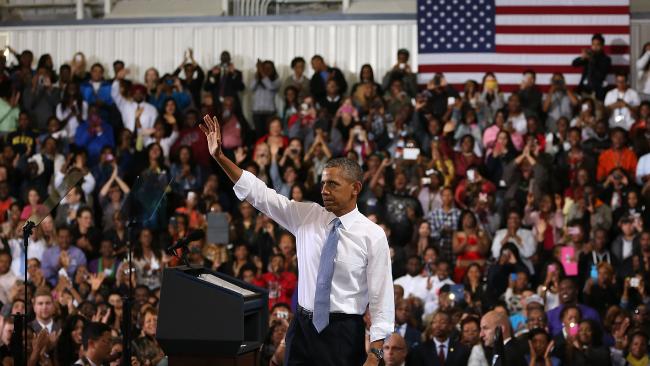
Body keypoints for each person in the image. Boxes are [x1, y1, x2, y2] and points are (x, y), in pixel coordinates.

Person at [200, 114, 394, 366]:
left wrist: (376, 352)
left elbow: (382, 298)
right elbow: (261, 195)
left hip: (344, 333)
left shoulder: (373, 235)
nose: (324, 190)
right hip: (302, 327)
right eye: (323, 183)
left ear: (355, 188)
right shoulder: (306, 215)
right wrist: (220, 158)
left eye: (333, 184)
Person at [572, 33, 612, 100]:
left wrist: (591, 59)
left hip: (598, 93)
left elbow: (601, 75)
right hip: (584, 91)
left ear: (602, 46)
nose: (595, 47)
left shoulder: (606, 59)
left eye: (598, 44)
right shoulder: (588, 57)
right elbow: (574, 64)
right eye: (593, 44)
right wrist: (583, 58)